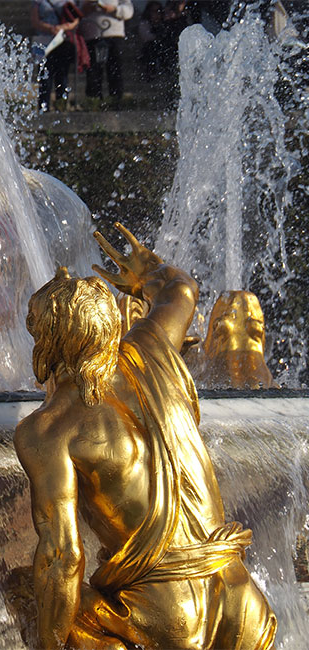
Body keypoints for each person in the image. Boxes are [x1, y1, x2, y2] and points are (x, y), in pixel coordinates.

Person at [14, 223, 277, 649]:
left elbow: (62, 557)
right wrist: (146, 273)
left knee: (28, 588)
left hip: (171, 618)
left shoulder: (48, 429)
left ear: (47, 339)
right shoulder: (151, 350)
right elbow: (183, 290)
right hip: (240, 600)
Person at [78, 0, 133, 103]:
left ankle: (115, 100)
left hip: (114, 34)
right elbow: (79, 10)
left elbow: (129, 10)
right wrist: (87, 8)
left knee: (114, 69)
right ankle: (94, 101)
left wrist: (114, 9)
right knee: (93, 70)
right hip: (92, 34)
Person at [31, 0, 80, 111]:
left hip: (62, 41)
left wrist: (63, 28)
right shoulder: (39, 1)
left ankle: (61, 107)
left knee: (62, 76)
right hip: (43, 41)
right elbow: (34, 21)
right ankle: (43, 109)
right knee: (44, 78)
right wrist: (50, 28)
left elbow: (76, 20)